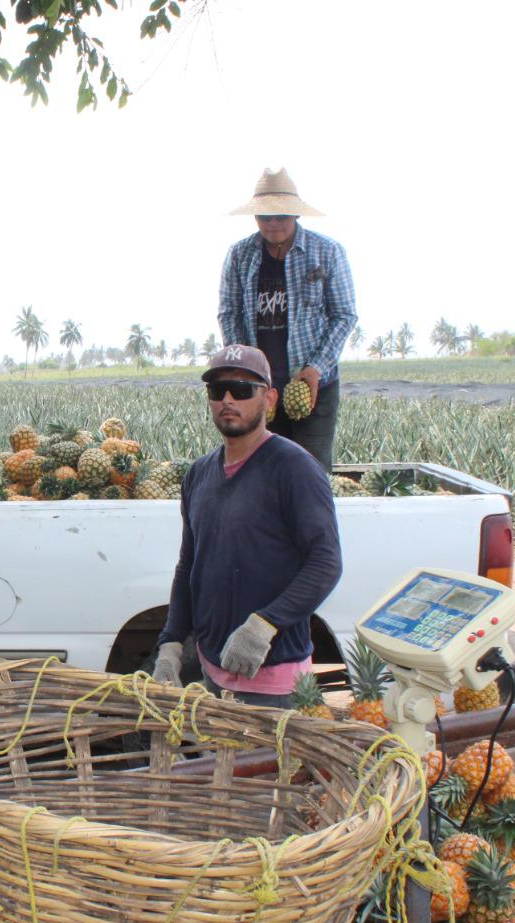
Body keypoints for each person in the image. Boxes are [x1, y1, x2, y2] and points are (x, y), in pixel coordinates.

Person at [152, 345, 343, 707]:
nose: (227, 399)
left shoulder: (294, 469)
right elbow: (189, 565)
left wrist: (263, 626)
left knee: (268, 767)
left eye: (241, 390)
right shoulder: (198, 474)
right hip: (212, 673)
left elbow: (326, 562)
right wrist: (172, 643)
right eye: (216, 391)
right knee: (219, 764)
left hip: (274, 683)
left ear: (269, 400)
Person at [216, 167, 357, 474]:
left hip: (312, 385)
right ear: (256, 218)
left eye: (281, 216)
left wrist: (315, 368)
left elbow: (344, 315)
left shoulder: (327, 252)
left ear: (296, 215)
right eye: (265, 217)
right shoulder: (240, 255)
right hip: (259, 388)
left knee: (312, 470)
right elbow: (229, 314)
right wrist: (244, 366)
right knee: (260, 470)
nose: (273, 224)